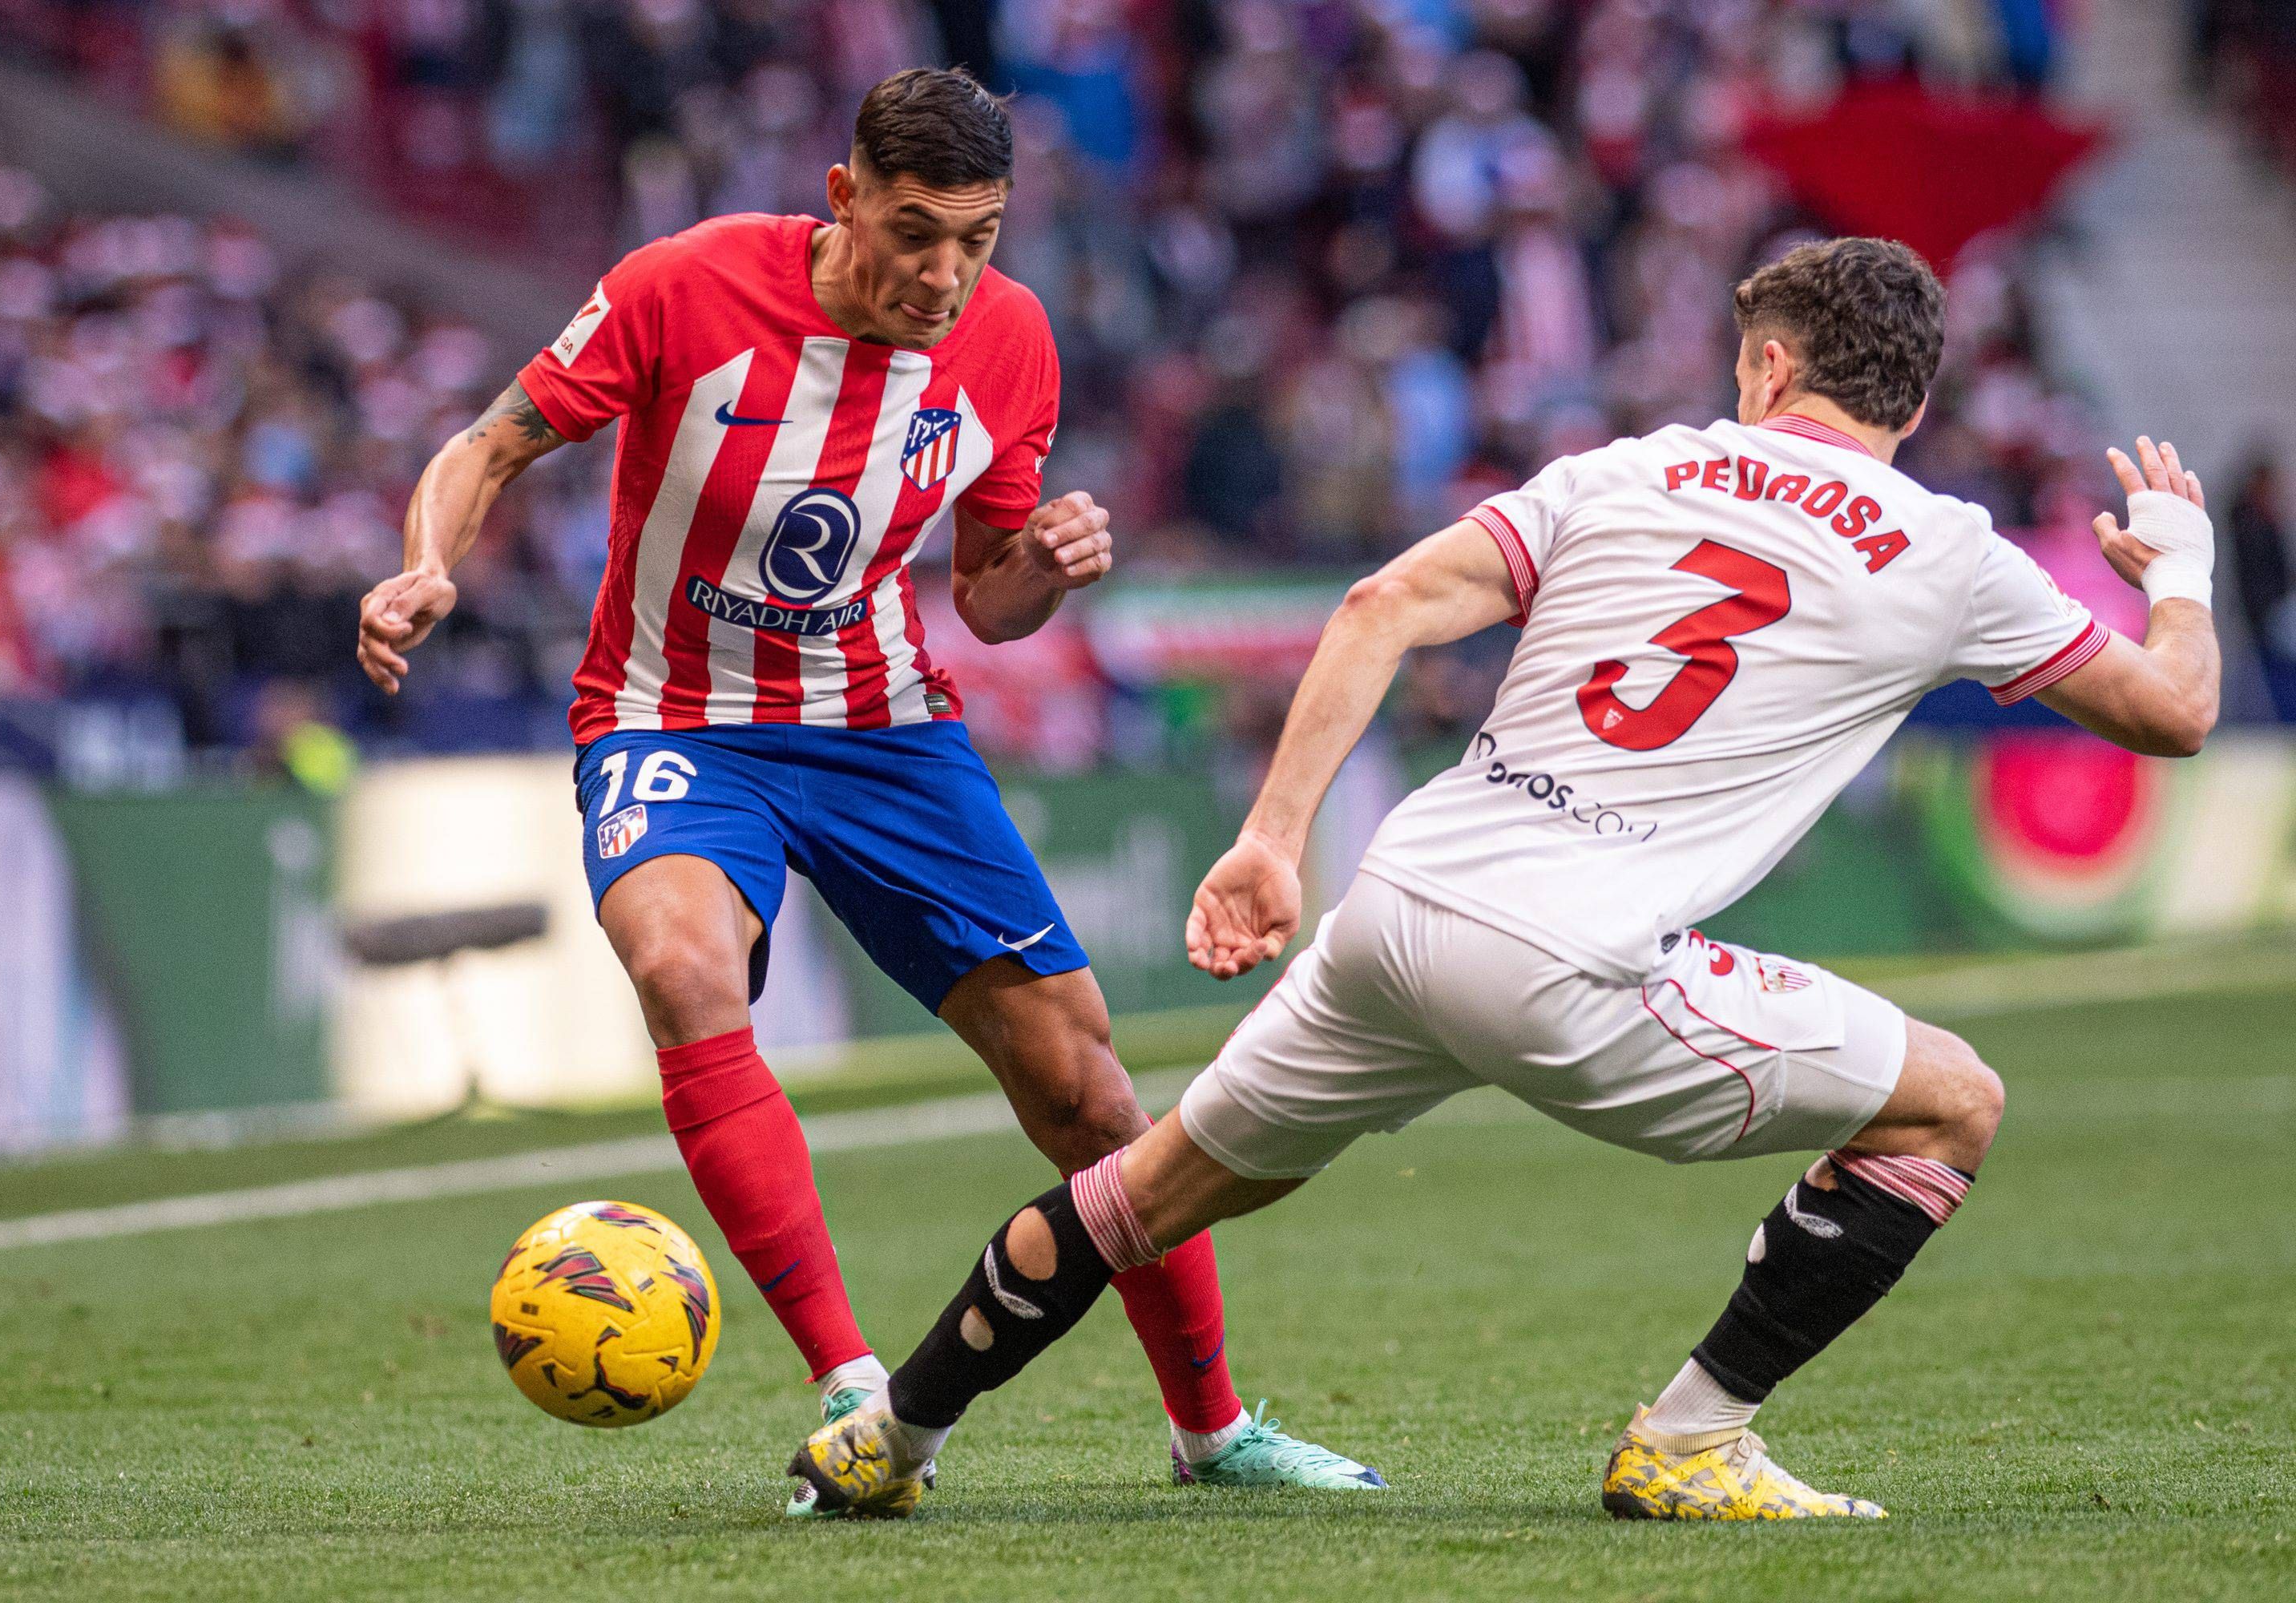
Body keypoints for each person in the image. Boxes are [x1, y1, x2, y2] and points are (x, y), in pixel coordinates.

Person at [787, 236, 2222, 1520]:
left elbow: (1379, 606)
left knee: (1137, 1194)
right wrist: (2180, 569)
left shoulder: (1629, 466)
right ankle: (1693, 1439)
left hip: (1400, 910)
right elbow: (2175, 714)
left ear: (1772, 365)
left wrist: (1273, 839)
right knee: (1954, 1102)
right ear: (1910, 404)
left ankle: (892, 1438)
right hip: (1575, 962)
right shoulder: (1953, 553)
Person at [353, 67, 1373, 1514]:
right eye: (916, 232)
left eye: (980, 236)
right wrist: (427, 564)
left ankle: (1214, 1432)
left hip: (885, 727)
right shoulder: (684, 286)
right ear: (845, 199)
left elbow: (987, 598)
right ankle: (858, 1398)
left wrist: (1049, 567)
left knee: (1085, 1089)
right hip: (674, 719)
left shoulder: (1011, 342)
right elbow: (488, 443)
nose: (947, 274)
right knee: (682, 965)